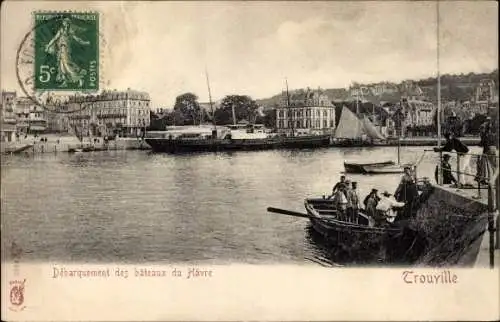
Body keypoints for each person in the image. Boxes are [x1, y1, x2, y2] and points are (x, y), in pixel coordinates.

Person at [476, 117, 497, 185]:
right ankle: (493, 178)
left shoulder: (485, 133)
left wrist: (480, 145)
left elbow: (484, 143)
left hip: (488, 149)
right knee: (493, 165)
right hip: (493, 148)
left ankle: (484, 178)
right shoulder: (491, 131)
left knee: (485, 165)